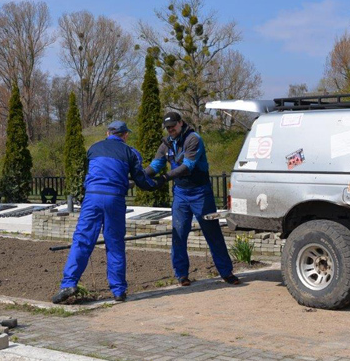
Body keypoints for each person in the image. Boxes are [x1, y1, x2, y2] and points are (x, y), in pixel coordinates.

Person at [52, 121, 161, 304]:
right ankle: (118, 291)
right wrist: (158, 182)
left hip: (92, 198)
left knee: (82, 241)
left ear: (107, 133)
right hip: (114, 200)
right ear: (125, 135)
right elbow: (141, 180)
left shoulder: (93, 148)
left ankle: (68, 284)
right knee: (115, 243)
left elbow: (91, 173)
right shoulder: (131, 152)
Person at [145, 112, 239, 287]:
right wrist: (139, 178)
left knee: (212, 233)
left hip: (201, 194)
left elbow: (187, 166)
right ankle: (182, 275)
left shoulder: (193, 139)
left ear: (181, 123)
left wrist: (165, 178)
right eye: (167, 127)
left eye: (173, 126)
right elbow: (155, 165)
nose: (170, 130)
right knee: (179, 234)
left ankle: (226, 272)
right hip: (180, 194)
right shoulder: (166, 144)